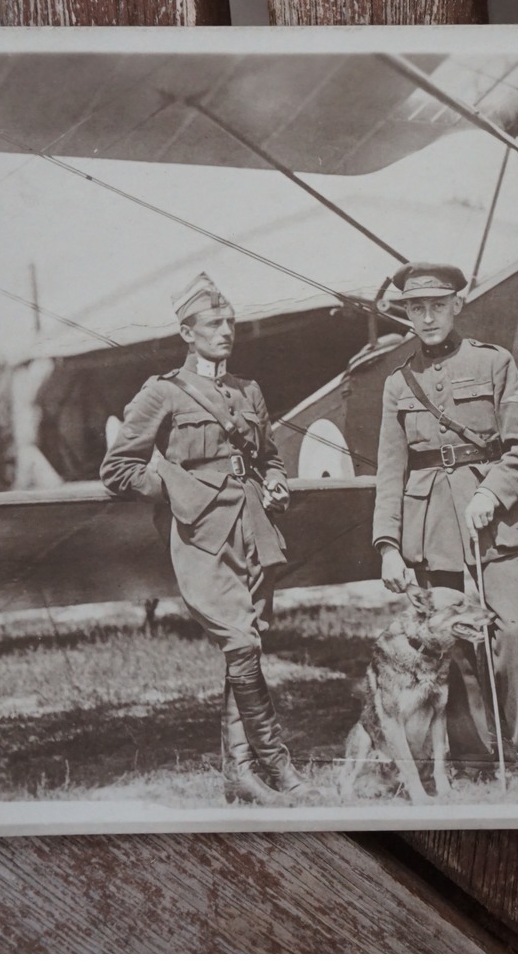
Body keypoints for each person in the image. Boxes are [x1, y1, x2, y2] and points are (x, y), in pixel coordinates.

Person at [100, 272, 307, 805]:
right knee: (239, 641)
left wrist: (277, 481)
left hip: (255, 529)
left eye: (230, 322)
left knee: (250, 645)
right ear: (187, 333)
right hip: (200, 533)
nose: (226, 331)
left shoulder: (248, 390)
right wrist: (171, 487)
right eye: (214, 324)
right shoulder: (162, 391)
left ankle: (238, 773)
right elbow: (118, 470)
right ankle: (279, 765)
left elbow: (268, 458)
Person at [372, 262, 518, 771]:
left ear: (457, 306)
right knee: (441, 642)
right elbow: (391, 471)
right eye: (415, 308)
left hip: (495, 519)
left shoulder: (494, 363)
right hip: (430, 527)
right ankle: (467, 750)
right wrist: (387, 545)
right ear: (406, 314)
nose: (426, 318)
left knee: (511, 629)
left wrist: (492, 492)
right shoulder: (398, 383)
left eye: (436, 305)